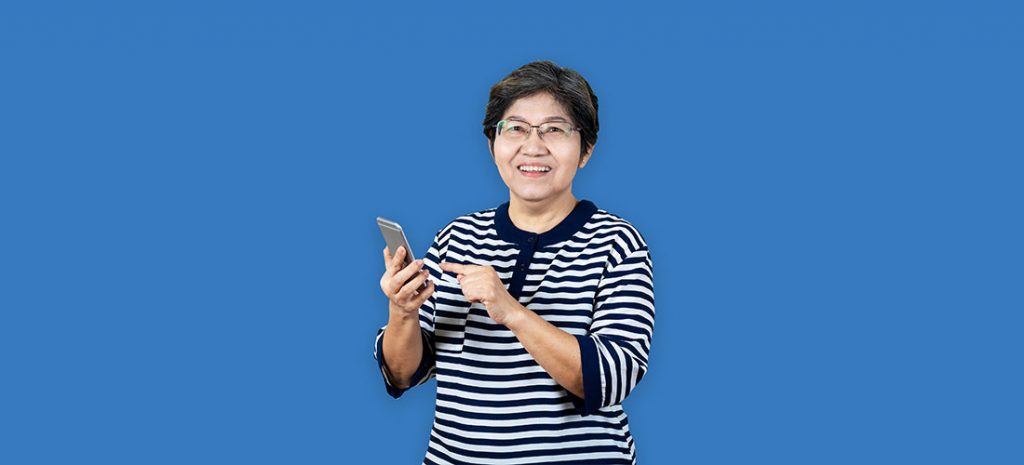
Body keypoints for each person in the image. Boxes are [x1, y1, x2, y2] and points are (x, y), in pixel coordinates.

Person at [373, 60, 655, 464]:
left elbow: (609, 380)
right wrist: (402, 313)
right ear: (493, 145)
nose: (533, 147)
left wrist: (511, 312)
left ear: (586, 150)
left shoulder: (618, 243)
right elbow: (402, 375)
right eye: (516, 129)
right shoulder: (456, 238)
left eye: (554, 129)